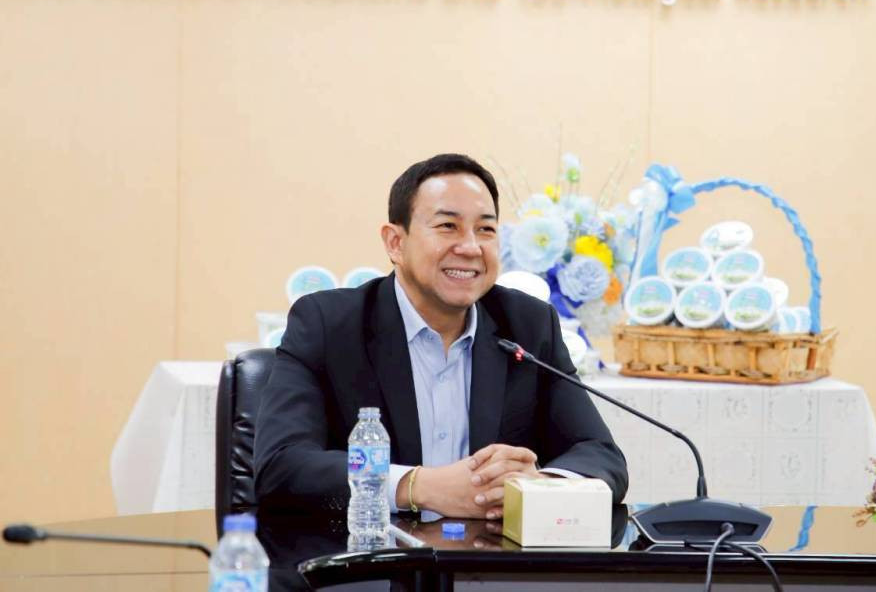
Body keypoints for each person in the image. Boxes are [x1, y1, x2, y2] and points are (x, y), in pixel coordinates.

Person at [254, 153, 628, 519]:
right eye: (448, 226)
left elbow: (601, 455)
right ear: (395, 243)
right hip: (375, 554)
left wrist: (537, 486)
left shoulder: (528, 325)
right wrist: (418, 486)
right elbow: (281, 464)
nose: (470, 247)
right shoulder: (330, 324)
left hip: (487, 556)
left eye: (486, 229)